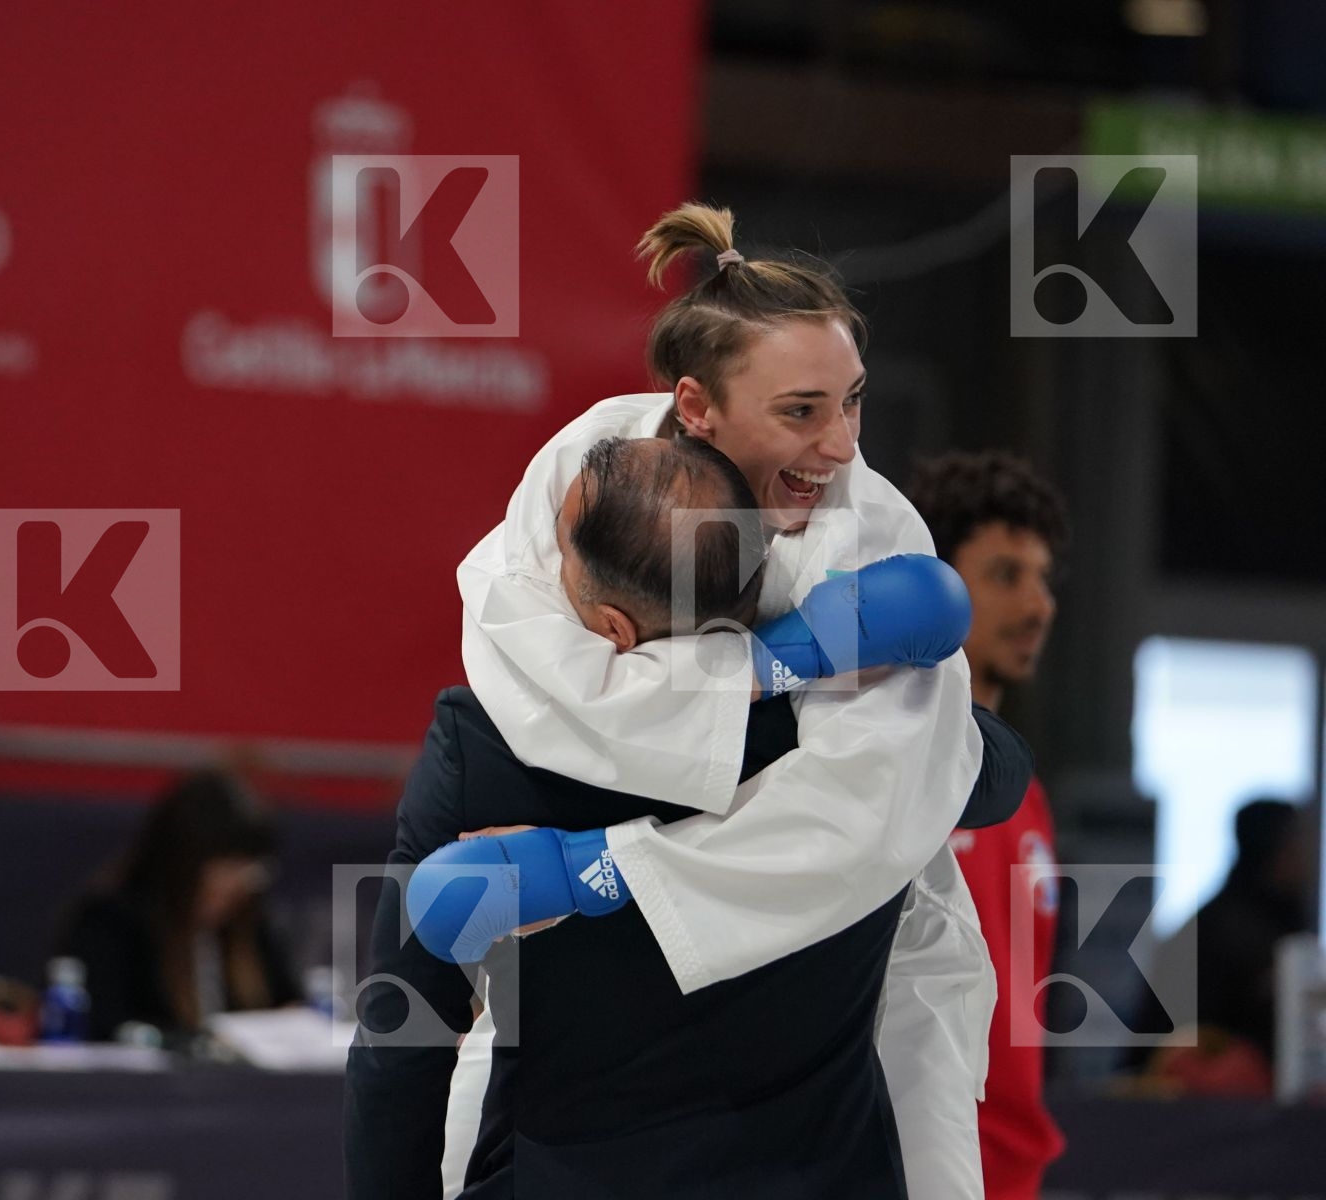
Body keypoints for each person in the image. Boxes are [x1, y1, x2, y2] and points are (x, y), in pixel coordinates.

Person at [441, 203, 996, 1194]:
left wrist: (595, 870)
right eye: (801, 411)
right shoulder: (587, 471)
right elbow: (556, 693)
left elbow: (865, 816)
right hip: (585, 1045)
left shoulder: (873, 534)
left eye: (853, 402)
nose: (840, 444)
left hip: (827, 1002)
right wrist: (781, 665)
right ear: (695, 406)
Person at [348, 435, 1026, 1198]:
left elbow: (401, 1038)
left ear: (612, 626)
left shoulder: (485, 747)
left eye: (557, 556)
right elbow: (995, 774)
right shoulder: (864, 747)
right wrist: (780, 661)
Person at [908, 449, 1070, 1199]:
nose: (1038, 606)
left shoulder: (1023, 792)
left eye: (1042, 578)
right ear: (934, 586)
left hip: (1009, 1175)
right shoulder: (887, 772)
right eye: (1006, 575)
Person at [55, 770, 300, 1043]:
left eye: (249, 870)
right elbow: (104, 1027)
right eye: (224, 867)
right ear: (180, 863)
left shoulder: (248, 925)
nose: (237, 885)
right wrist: (202, 1043)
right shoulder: (111, 920)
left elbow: (290, 1005)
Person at [1154, 799, 1311, 1071]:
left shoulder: (1284, 924)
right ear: (1272, 847)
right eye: (1298, 838)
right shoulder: (1221, 930)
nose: (1307, 853)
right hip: (1195, 1098)